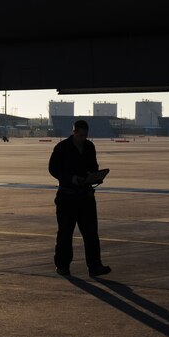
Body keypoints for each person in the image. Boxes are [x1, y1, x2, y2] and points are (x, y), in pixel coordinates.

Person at [48, 119, 111, 277]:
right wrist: (70, 179)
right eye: (80, 135)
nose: (83, 138)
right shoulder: (62, 148)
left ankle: (95, 266)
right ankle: (62, 266)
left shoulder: (90, 147)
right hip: (67, 197)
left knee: (91, 234)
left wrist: (95, 176)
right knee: (65, 233)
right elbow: (53, 169)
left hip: (85, 196)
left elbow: (93, 166)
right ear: (74, 132)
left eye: (85, 135)